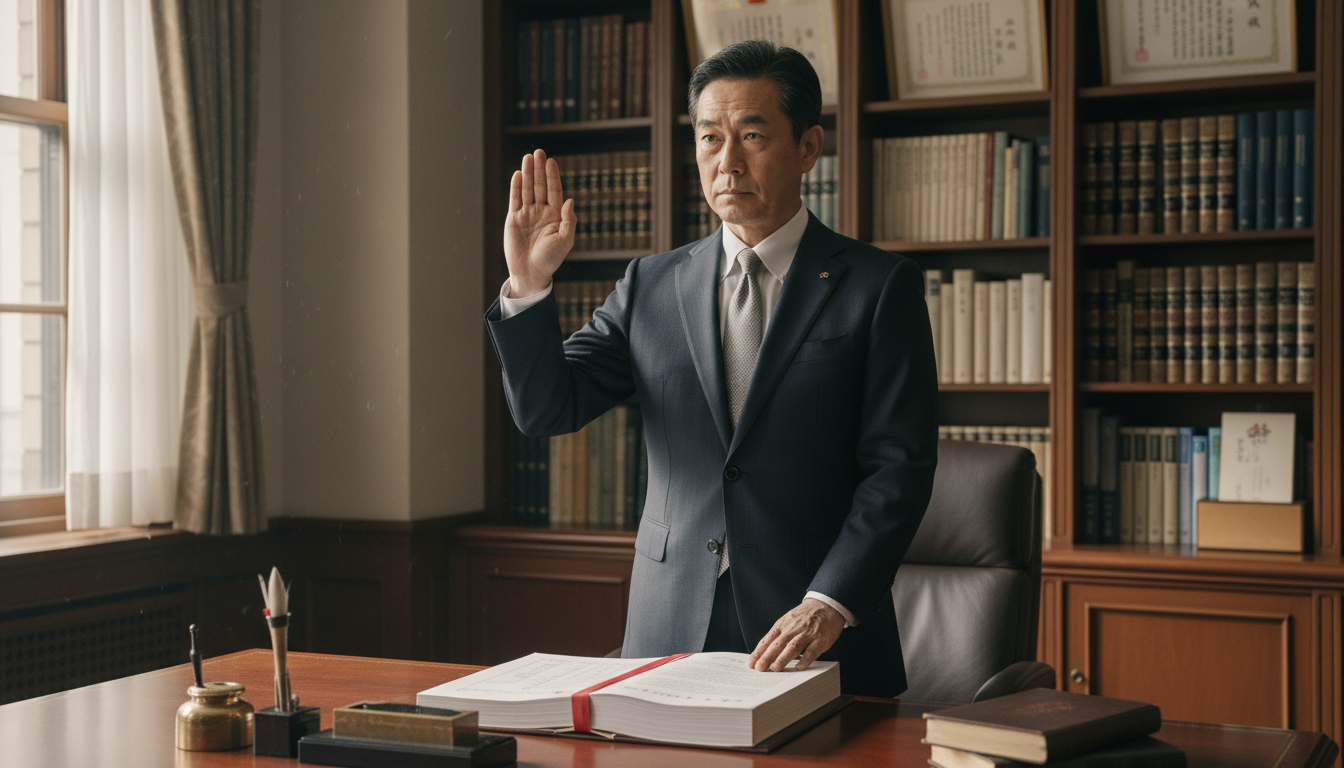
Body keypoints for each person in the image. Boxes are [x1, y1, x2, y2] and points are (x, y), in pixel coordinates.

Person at [485, 40, 937, 696]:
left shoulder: (879, 286)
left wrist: (830, 602)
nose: (728, 162)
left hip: (811, 627)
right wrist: (528, 286)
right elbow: (546, 409)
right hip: (670, 621)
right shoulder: (650, 285)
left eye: (752, 135)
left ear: (808, 147)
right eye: (709, 138)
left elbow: (899, 469)